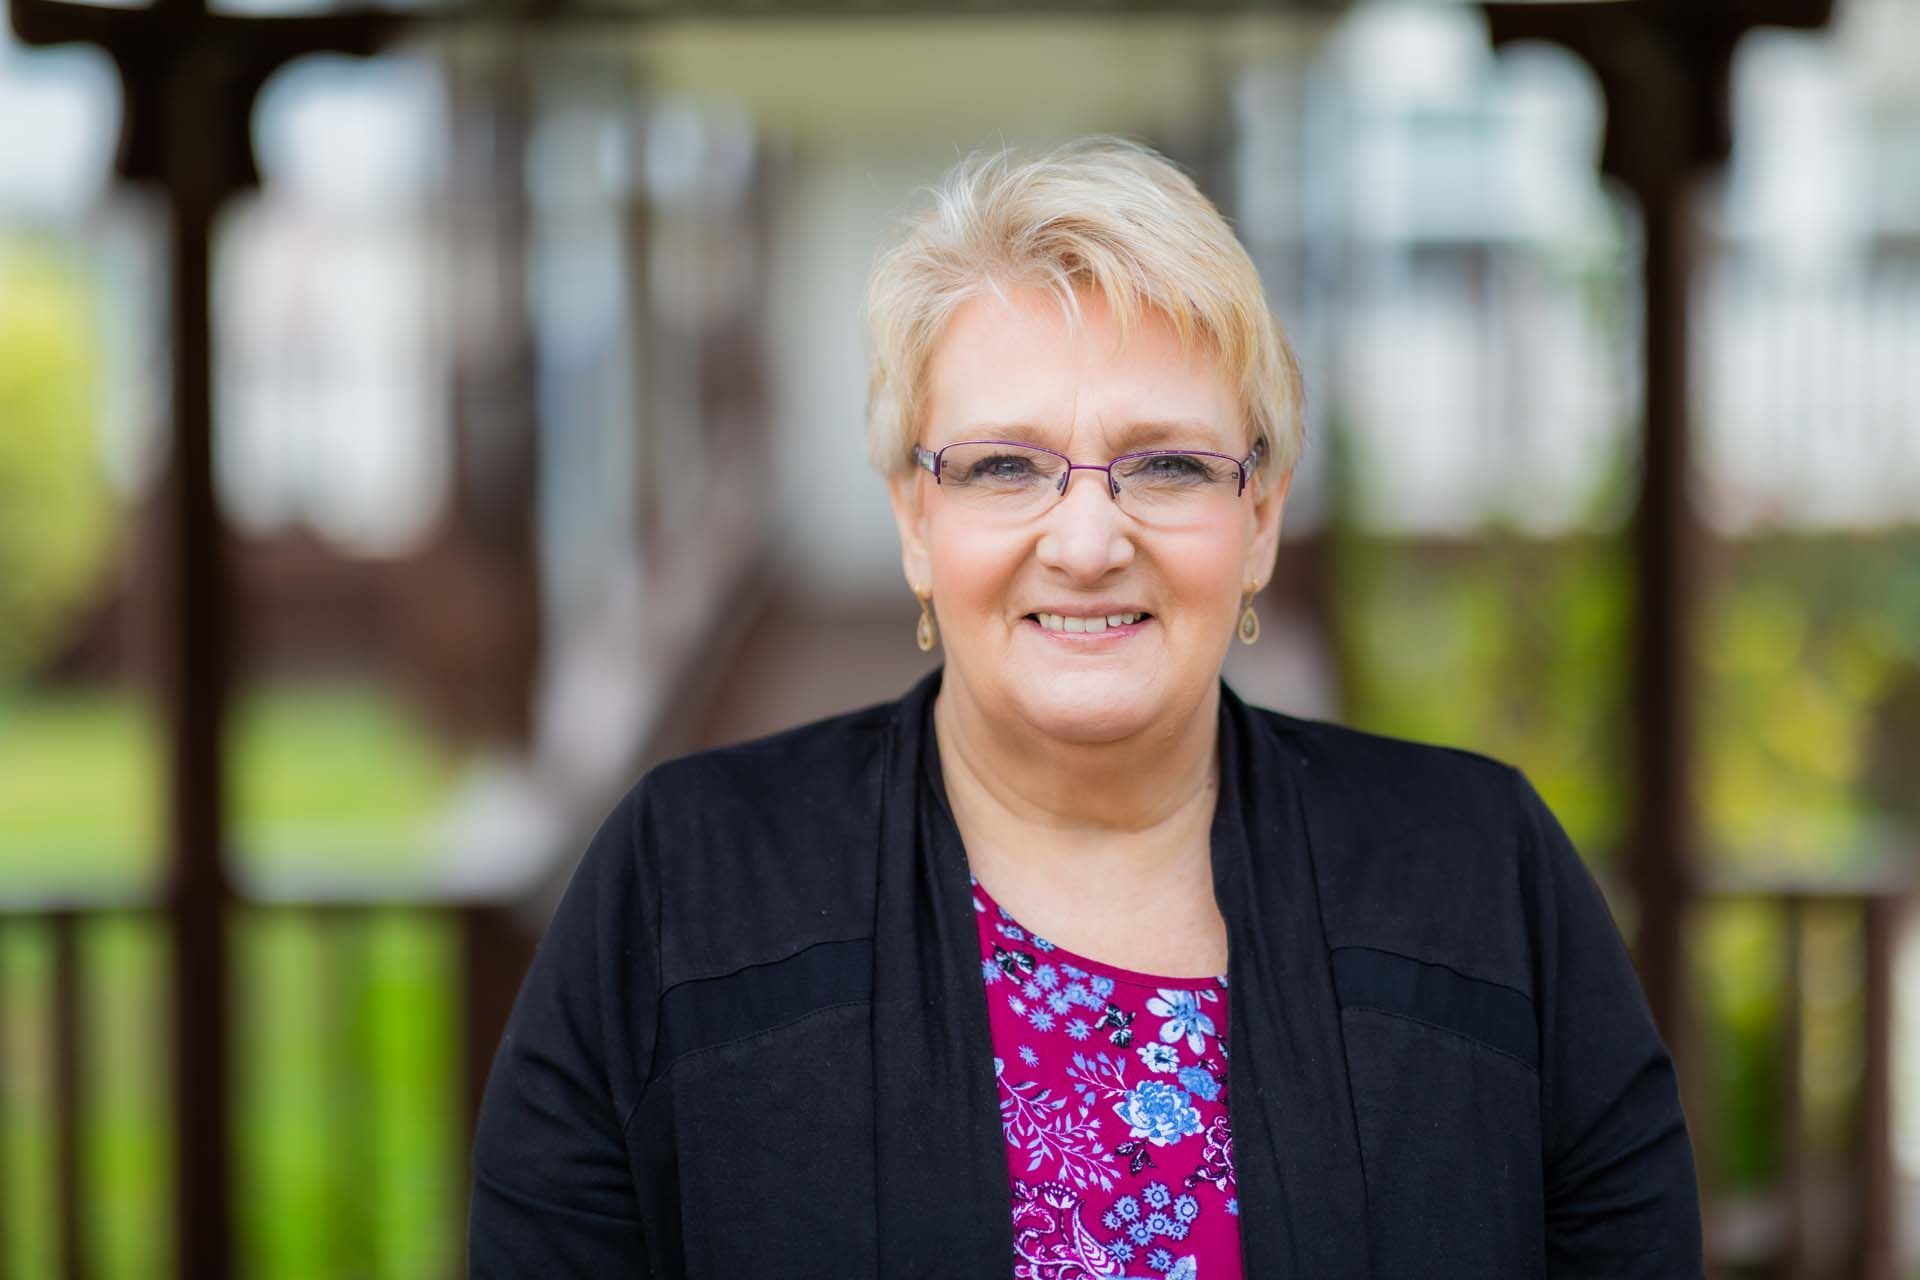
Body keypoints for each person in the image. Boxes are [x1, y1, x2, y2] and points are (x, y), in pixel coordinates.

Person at [468, 137, 1703, 1279]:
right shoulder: (688, 882)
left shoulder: (1477, 871)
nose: (1088, 538)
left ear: (1259, 515)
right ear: (914, 516)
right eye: (1005, 465)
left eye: (1166, 463)